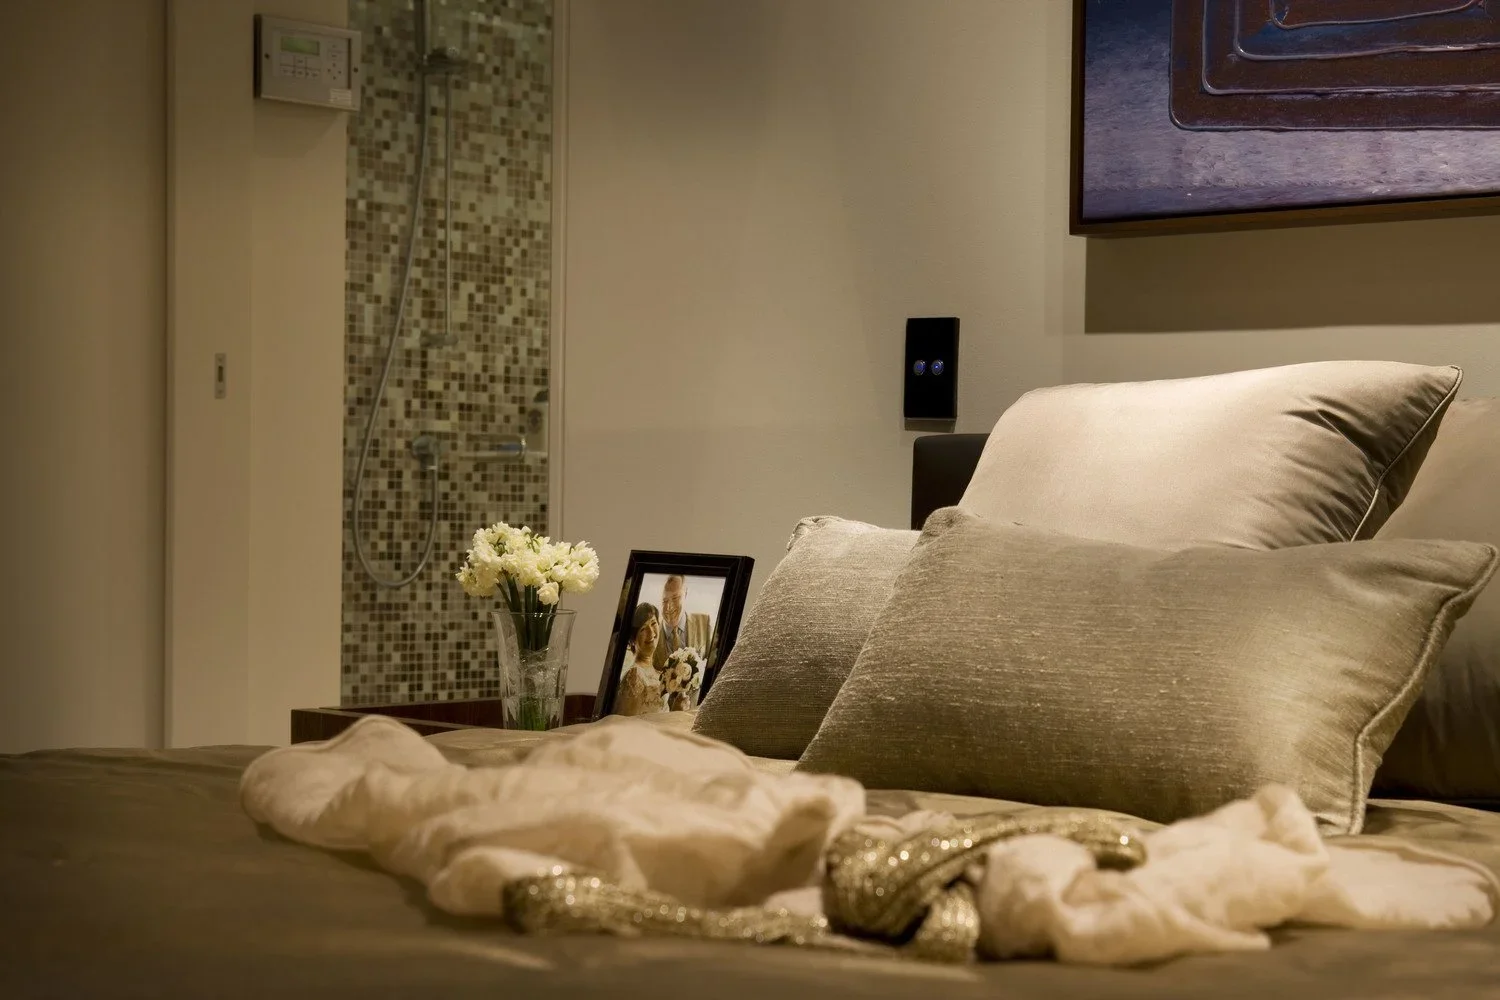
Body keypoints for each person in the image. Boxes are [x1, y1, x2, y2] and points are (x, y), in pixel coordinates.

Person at [653, 575, 714, 671]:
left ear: (685, 594)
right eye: (664, 601)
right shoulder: (651, 636)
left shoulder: (705, 622)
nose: (669, 607)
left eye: (675, 598)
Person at [615, 602, 665, 716]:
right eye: (643, 629)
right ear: (632, 639)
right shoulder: (634, 675)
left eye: (653, 623)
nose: (651, 632)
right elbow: (626, 724)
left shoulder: (658, 672)